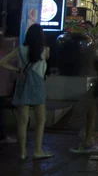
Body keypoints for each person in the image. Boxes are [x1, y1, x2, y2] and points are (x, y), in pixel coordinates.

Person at [0, 24, 52, 160]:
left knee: (23, 121)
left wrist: (16, 70)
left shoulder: (20, 49)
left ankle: (23, 152)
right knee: (41, 119)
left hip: (23, 84)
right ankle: (37, 150)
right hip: (37, 85)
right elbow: (44, 65)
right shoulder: (45, 50)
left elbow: (2, 62)